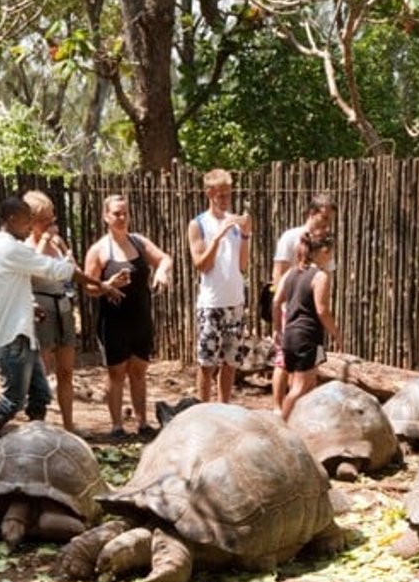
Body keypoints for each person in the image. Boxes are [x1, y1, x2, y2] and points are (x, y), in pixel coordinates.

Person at [0, 195, 76, 453]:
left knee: (40, 396)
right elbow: (53, 270)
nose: (30, 227)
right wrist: (68, 260)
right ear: (11, 219)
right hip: (14, 337)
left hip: (21, 332)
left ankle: (36, 445)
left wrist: (28, 307)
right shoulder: (11, 250)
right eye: (26, 221)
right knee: (12, 400)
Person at [83, 194, 173, 438]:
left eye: (125, 213)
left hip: (140, 317)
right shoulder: (98, 250)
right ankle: (117, 426)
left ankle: (143, 423)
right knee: (116, 373)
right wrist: (107, 284)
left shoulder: (139, 242)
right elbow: (88, 287)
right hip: (114, 321)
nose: (121, 218)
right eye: (116, 213)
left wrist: (161, 273)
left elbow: (165, 258)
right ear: (105, 217)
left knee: (139, 371)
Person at [187, 168, 251, 404]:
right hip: (211, 303)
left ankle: (224, 408)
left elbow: (243, 266)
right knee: (207, 363)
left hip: (235, 301)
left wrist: (245, 235)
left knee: (231, 362)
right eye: (221, 195)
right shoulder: (198, 225)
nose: (226, 200)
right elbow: (201, 265)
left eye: (228, 194)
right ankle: (203, 410)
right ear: (209, 193)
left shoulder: (234, 222)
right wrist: (217, 238)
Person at [270, 192, 337, 413]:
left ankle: (293, 415)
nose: (327, 225)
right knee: (292, 375)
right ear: (312, 213)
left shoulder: (316, 252)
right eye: (324, 218)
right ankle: (281, 414)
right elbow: (278, 276)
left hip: (300, 319)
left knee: (303, 378)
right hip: (297, 319)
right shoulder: (291, 237)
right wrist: (282, 316)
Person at [23, 189, 77, 432]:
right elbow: (32, 267)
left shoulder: (58, 242)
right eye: (44, 220)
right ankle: (39, 424)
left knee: (66, 370)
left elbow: (71, 269)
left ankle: (68, 424)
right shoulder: (27, 246)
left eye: (51, 218)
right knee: (43, 369)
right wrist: (44, 240)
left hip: (63, 304)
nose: (50, 224)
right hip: (42, 307)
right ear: (31, 222)